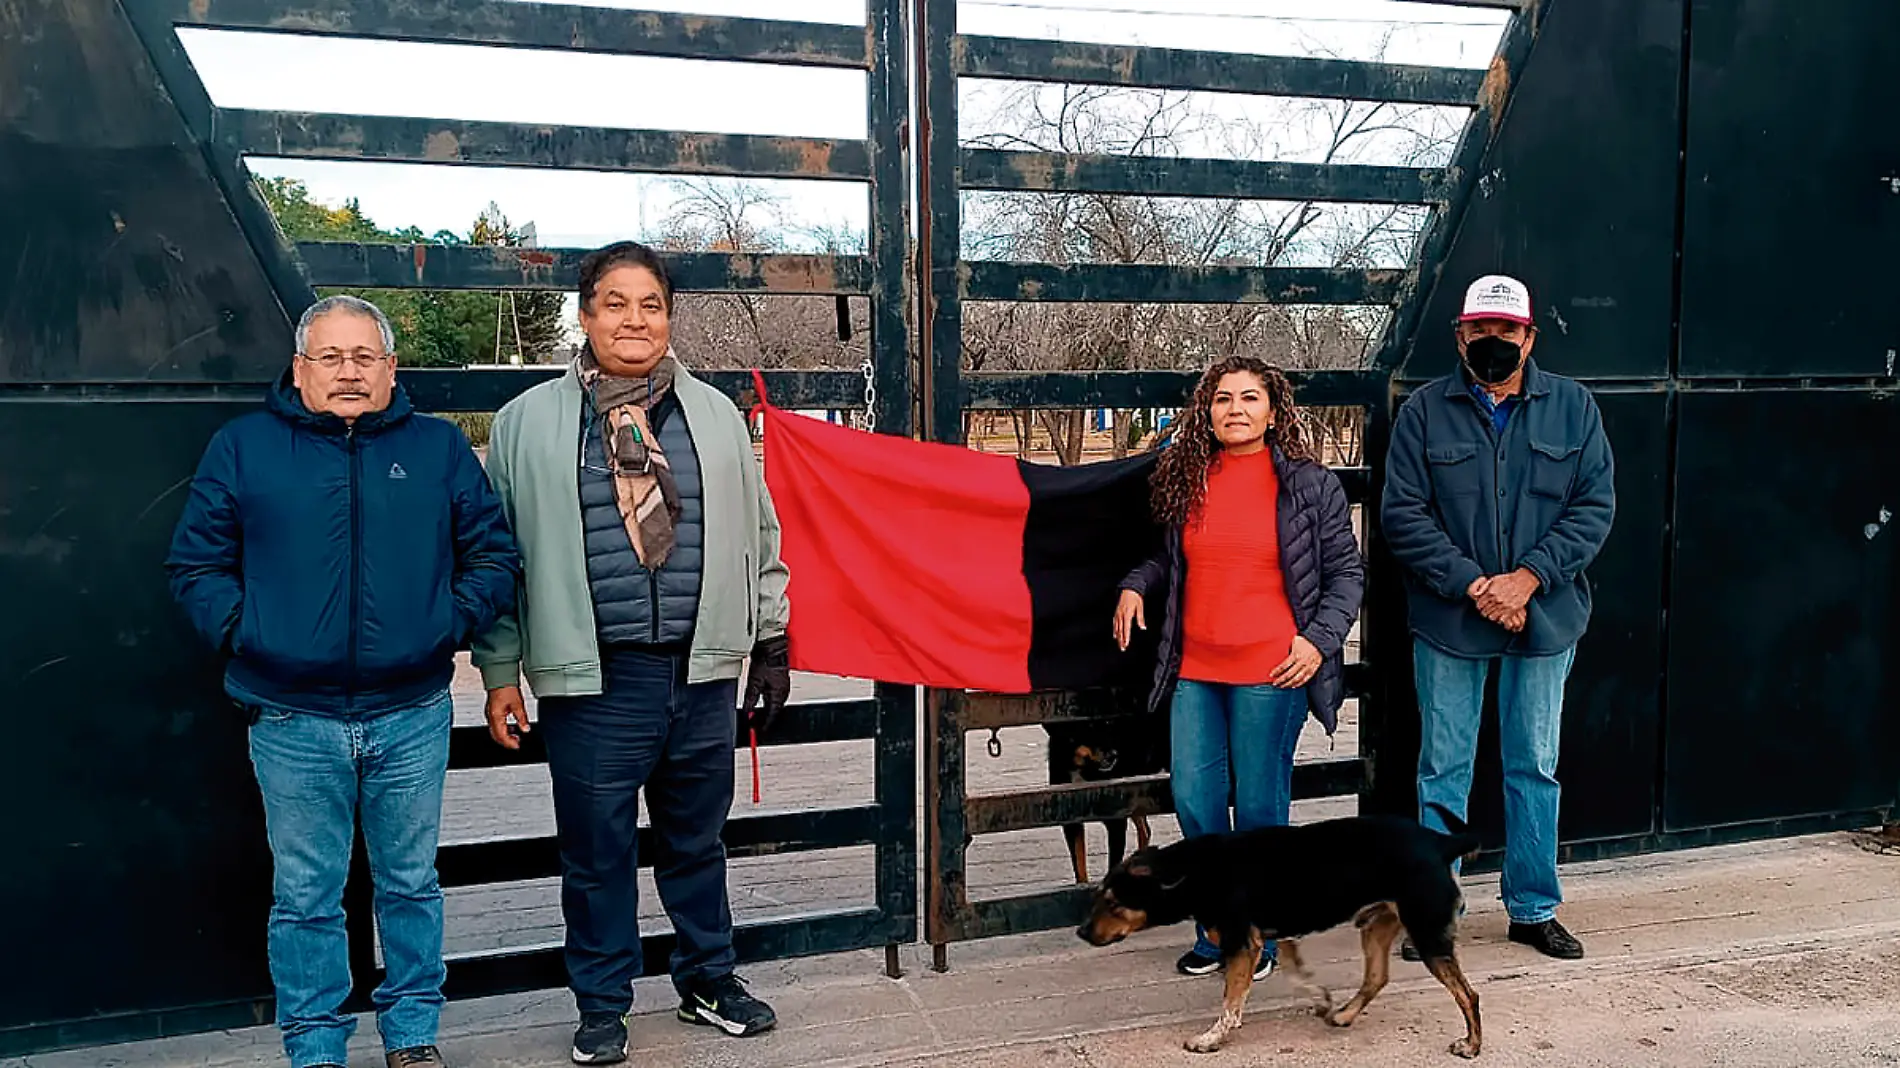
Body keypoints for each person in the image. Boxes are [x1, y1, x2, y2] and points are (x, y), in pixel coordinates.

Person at [166, 295, 520, 1068]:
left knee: (410, 885)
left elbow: (492, 554)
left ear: (392, 370)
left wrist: (442, 624)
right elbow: (195, 566)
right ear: (300, 368)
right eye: (331, 357)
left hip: (412, 711)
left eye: (366, 357)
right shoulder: (244, 448)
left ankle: (412, 1035)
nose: (350, 372)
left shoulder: (438, 450)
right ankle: (317, 1046)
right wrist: (249, 632)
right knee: (305, 898)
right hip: (291, 718)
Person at [472, 241, 793, 1065]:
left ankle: (707, 980)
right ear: (584, 316)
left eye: (650, 304)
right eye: (615, 303)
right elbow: (499, 560)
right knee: (596, 851)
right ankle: (602, 1000)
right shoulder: (526, 426)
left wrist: (769, 639)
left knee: (696, 840)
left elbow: (761, 535)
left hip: (700, 671)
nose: (634, 320)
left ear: (669, 317)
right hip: (595, 682)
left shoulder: (716, 416)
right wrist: (501, 671)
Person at [1380, 273, 1615, 961]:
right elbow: (1403, 513)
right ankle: (1433, 913)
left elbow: (1594, 508)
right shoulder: (1424, 412)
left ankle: (1533, 907)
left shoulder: (1574, 409)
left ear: (1529, 336)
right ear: (1460, 336)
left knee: (1534, 766)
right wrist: (1477, 586)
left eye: (1506, 331)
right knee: (1442, 769)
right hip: (1451, 622)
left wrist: (1527, 580)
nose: (1493, 341)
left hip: (1546, 620)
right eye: (1479, 330)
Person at [1113, 355, 1365, 981]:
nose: (1235, 409)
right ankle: (1217, 926)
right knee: (1195, 800)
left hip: (1272, 671)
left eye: (1250, 398)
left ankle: (1258, 937)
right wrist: (1135, 584)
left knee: (1258, 811)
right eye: (1223, 399)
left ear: (1273, 411)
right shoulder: (1186, 477)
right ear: (1208, 412)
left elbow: (1346, 575)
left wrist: (1317, 641)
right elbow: (1167, 559)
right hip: (1195, 667)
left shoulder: (1310, 485)